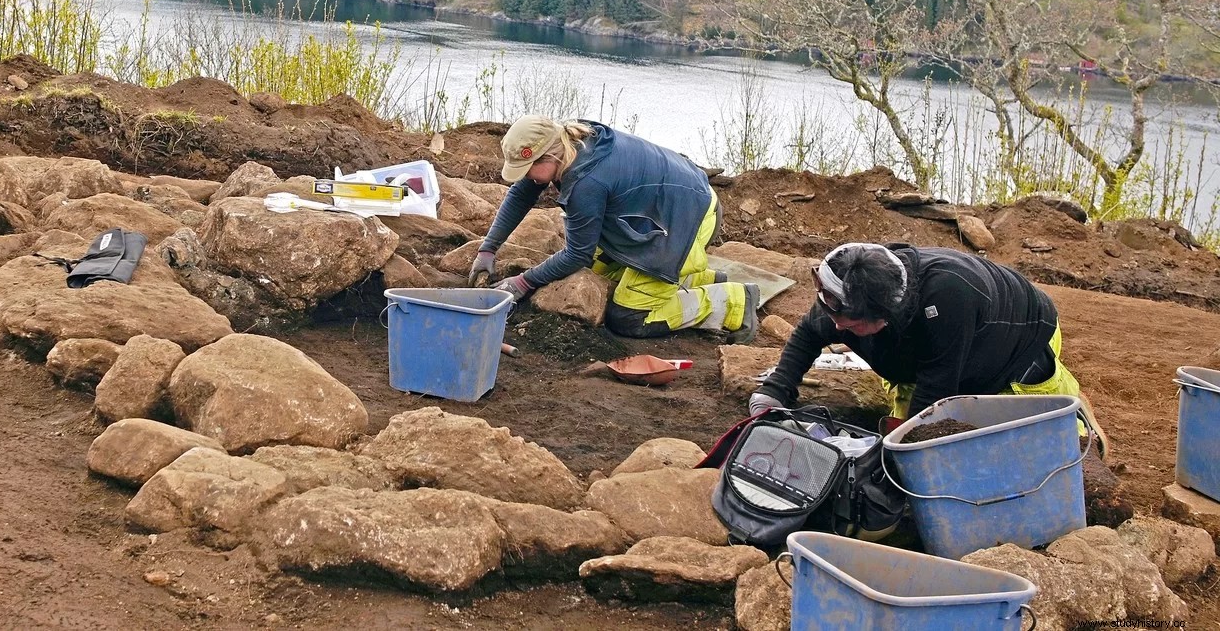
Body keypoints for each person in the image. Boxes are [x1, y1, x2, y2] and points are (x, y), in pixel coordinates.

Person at [748, 242, 1105, 446]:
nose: (838, 327)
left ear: (885, 314)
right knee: (903, 438)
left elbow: (936, 391)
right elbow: (809, 334)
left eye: (851, 323)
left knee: (1041, 441)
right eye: (837, 318)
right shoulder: (850, 284)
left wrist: (905, 445)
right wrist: (775, 390)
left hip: (1017, 339)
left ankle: (1078, 422)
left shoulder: (949, 298)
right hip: (929, 354)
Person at [467, 115, 760, 342]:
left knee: (629, 317)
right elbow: (521, 193)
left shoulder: (587, 183)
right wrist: (488, 248)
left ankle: (734, 302)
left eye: (527, 168)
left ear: (550, 156)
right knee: (599, 271)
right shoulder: (573, 141)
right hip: (666, 206)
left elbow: (576, 254)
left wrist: (523, 282)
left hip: (687, 219)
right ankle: (705, 278)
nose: (525, 177)